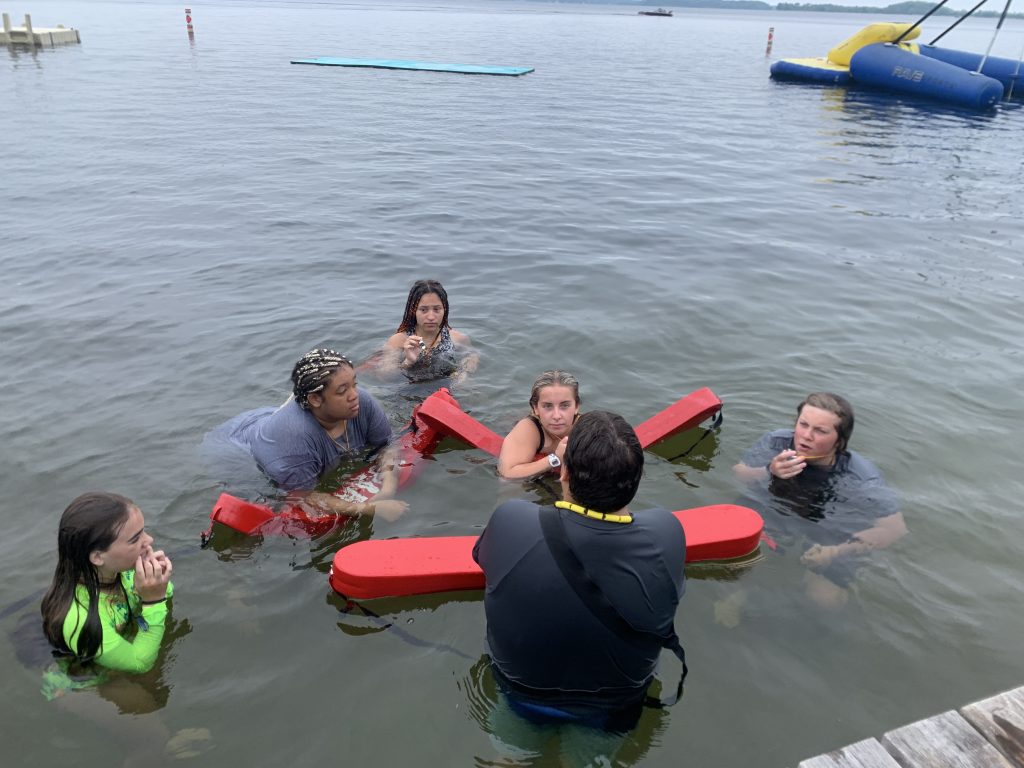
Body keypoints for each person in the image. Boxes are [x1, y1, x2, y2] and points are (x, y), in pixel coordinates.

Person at [474, 411, 686, 731]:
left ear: (564, 475)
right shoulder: (667, 531)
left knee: (512, 753)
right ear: (638, 478)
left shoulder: (511, 519)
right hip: (617, 702)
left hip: (521, 692)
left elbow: (484, 560)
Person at [733, 392, 906, 606]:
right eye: (803, 424)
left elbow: (895, 529)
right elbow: (740, 472)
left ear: (840, 441)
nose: (806, 436)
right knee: (733, 552)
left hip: (830, 522)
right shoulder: (777, 442)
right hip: (778, 506)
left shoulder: (861, 478)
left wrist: (836, 551)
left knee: (825, 600)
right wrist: (769, 470)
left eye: (820, 431)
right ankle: (737, 595)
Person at [220, 348, 407, 520]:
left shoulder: (361, 402)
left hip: (265, 419)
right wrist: (369, 509)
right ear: (315, 399)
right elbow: (303, 496)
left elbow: (387, 444)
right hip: (236, 446)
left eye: (354, 384)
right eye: (342, 390)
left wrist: (388, 485)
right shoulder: (295, 438)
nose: (354, 395)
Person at [41, 492, 174, 674]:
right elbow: (140, 664)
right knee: (146, 702)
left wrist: (159, 582)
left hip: (116, 648)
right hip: (81, 679)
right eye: (135, 539)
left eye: (144, 531)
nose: (149, 540)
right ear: (97, 557)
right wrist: (153, 601)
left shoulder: (123, 571)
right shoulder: (80, 619)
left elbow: (166, 597)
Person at [380, 279, 476, 380]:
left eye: (437, 309)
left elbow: (472, 355)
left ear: (445, 310)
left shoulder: (458, 338)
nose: (431, 317)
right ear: (413, 311)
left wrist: (463, 373)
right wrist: (407, 362)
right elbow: (385, 376)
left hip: (446, 388)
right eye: (423, 310)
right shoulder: (398, 341)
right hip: (409, 390)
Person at [497, 370, 581, 479]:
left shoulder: (586, 428)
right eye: (547, 406)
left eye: (564, 406)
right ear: (535, 408)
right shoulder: (529, 428)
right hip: (504, 425)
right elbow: (507, 473)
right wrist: (556, 458)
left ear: (577, 406)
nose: (556, 416)